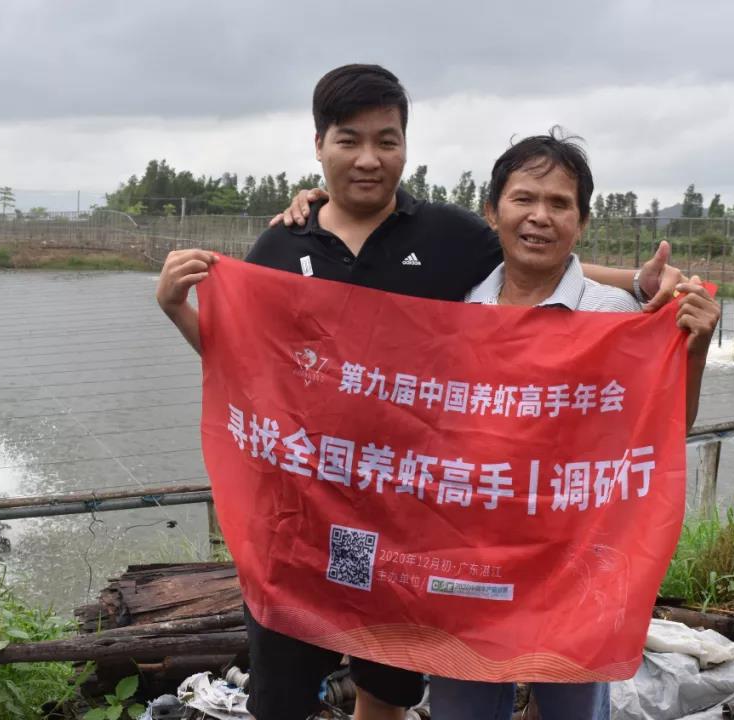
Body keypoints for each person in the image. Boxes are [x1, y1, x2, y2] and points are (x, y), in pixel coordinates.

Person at [156, 64, 685, 720]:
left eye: (387, 140)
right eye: (348, 140)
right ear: (318, 144)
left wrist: (636, 283)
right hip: (304, 514)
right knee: (283, 693)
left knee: (387, 690)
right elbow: (246, 370)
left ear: (406, 145)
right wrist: (179, 309)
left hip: (407, 521)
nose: (369, 158)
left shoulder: (445, 236)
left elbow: (533, 252)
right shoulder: (280, 245)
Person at [427, 129, 719, 720]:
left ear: (581, 222)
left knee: (574, 707)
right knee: (463, 705)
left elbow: (665, 431)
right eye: (523, 199)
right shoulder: (455, 310)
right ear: (492, 211)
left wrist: (693, 351)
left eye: (559, 204)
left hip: (577, 565)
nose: (540, 216)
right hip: (469, 556)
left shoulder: (618, 317)